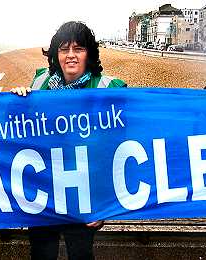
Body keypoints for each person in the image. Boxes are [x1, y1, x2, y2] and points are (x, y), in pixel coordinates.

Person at [11, 21, 126, 259]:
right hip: (44, 191)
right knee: (41, 253)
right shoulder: (40, 84)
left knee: (81, 254)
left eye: (78, 49)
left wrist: (104, 204)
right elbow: (20, 133)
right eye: (64, 49)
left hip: (85, 193)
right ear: (56, 54)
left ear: (89, 54)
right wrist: (16, 102)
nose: (71, 56)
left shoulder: (107, 89)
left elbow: (118, 148)